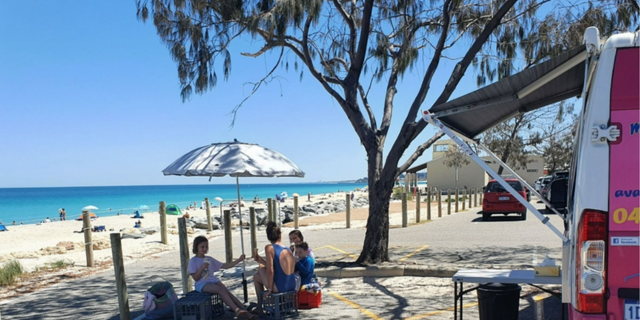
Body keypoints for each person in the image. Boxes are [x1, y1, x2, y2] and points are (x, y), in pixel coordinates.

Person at [188, 236, 254, 319]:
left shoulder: (209, 258)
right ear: (196, 247)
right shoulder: (193, 261)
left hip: (212, 280)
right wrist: (201, 268)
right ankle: (236, 310)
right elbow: (196, 278)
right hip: (201, 283)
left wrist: (239, 260)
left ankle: (246, 311)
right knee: (220, 289)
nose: (205, 249)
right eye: (202, 247)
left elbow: (225, 266)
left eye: (206, 247)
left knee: (227, 292)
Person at [253, 222, 297, 307]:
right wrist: (262, 261)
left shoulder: (269, 248)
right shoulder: (288, 249)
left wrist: (269, 289)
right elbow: (278, 268)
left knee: (261, 269)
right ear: (280, 235)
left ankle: (260, 306)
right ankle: (260, 305)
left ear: (268, 237)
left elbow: (271, 270)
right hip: (291, 285)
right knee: (256, 277)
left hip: (280, 287)